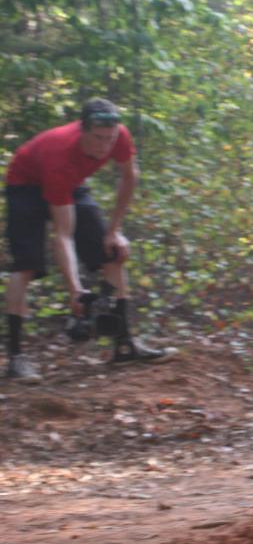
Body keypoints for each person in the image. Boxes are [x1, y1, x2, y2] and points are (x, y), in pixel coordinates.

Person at [4, 98, 176, 383]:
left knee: (112, 253)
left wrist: (114, 230)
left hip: (72, 183)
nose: (104, 146)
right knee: (26, 266)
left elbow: (130, 176)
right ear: (81, 130)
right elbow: (63, 235)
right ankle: (16, 360)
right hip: (25, 186)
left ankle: (124, 345)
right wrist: (76, 290)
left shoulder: (118, 135)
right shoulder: (59, 152)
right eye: (98, 138)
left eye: (109, 139)